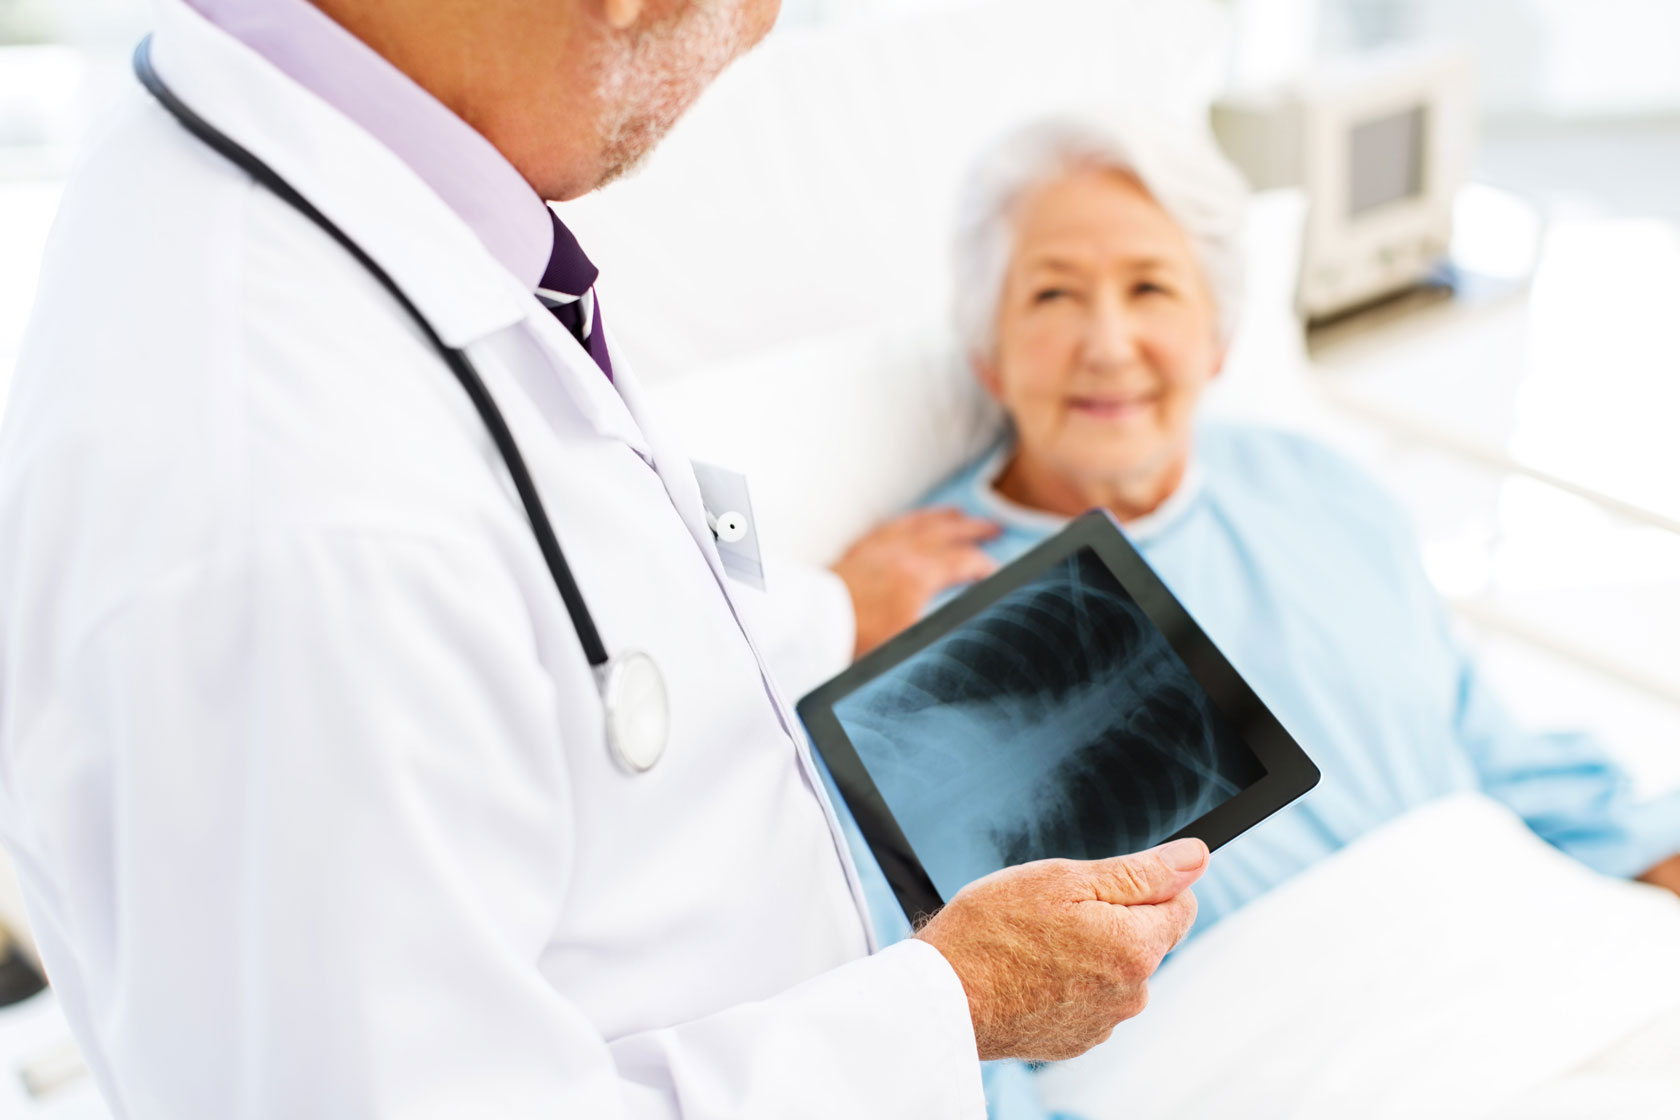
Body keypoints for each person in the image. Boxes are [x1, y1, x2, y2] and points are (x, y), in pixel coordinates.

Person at [0, 5, 1213, 1117]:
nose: (757, 40)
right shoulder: (303, 517)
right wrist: (956, 1002)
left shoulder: (375, 194)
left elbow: (579, 617)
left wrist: (829, 612)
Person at [822, 113, 1680, 1114]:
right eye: (1053, 294)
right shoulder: (915, 619)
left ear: (1218, 337)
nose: (1108, 344)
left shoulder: (1318, 490)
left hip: (1540, 963)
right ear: (989, 352)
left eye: (1151, 288)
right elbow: (947, 1007)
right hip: (1267, 1059)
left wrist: (1647, 852)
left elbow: (1497, 754)